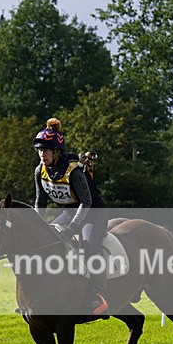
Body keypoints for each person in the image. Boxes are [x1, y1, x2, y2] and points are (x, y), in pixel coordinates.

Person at [32, 117, 109, 315]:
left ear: (57, 152)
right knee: (47, 245)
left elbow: (87, 202)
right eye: (40, 150)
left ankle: (97, 295)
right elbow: (40, 203)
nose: (42, 154)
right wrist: (36, 227)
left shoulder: (73, 170)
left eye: (46, 150)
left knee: (87, 249)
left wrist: (73, 228)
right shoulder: (39, 171)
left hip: (93, 214)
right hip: (68, 213)